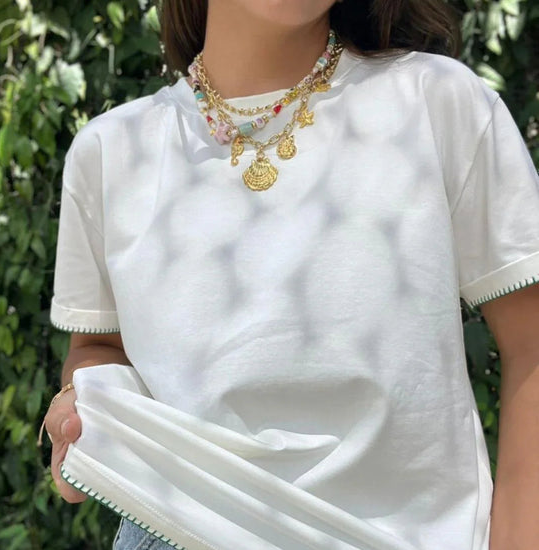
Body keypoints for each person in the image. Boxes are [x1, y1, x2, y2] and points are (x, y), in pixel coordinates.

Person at [38, 1, 539, 549]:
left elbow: (531, 346)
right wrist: (81, 400)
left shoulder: (436, 101)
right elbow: (99, 346)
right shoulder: (110, 153)